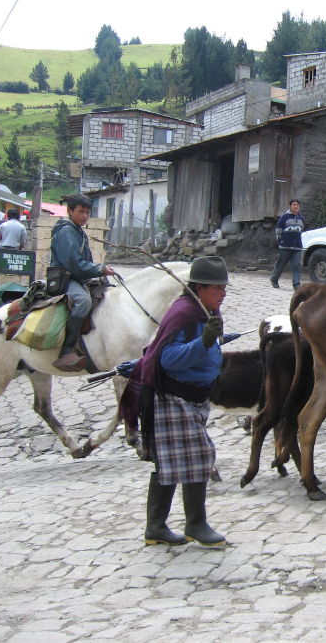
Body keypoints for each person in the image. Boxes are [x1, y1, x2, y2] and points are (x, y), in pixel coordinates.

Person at [120, 256, 229, 547]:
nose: (223, 293)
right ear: (199, 287)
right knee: (200, 454)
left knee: (168, 461)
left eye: (224, 287)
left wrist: (215, 340)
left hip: (192, 396)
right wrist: (204, 342)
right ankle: (195, 523)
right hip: (172, 396)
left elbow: (199, 346)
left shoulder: (206, 310)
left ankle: (155, 527)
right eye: (217, 287)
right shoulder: (185, 313)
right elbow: (168, 359)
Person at [50, 194, 115, 372]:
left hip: (78, 275)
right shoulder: (66, 232)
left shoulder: (77, 230)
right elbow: (74, 263)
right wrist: (99, 269)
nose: (84, 216)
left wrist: (99, 272)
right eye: (80, 212)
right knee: (83, 301)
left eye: (87, 212)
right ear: (70, 211)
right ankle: (67, 351)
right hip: (66, 278)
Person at [270, 198, 304, 289]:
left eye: (297, 205)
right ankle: (274, 279)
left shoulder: (301, 218)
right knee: (281, 264)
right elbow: (278, 231)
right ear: (290, 206)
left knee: (296, 265)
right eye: (294, 205)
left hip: (297, 247)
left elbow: (301, 231)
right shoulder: (285, 217)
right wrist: (281, 242)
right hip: (285, 246)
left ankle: (296, 284)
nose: (295, 206)